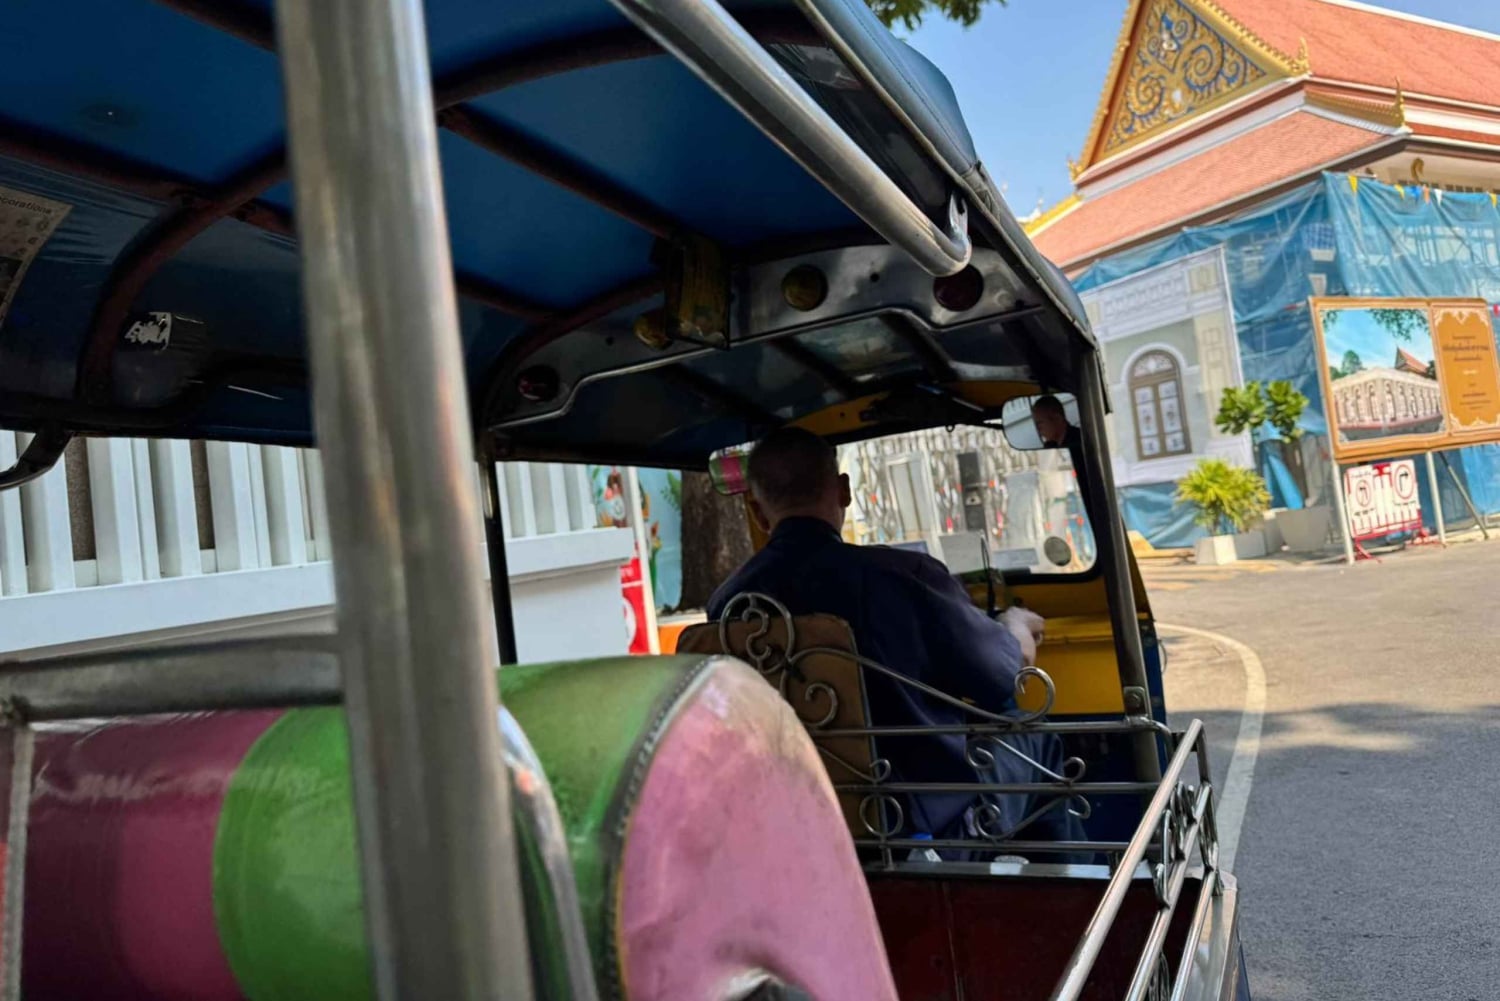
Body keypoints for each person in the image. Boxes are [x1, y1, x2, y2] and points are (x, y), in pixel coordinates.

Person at [707, 428, 1085, 851]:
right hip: (921, 826)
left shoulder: (726, 607)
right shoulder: (906, 577)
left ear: (757, 513)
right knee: (1037, 738)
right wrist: (1015, 625)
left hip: (799, 822)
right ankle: (1077, 902)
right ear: (844, 491)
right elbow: (1002, 684)